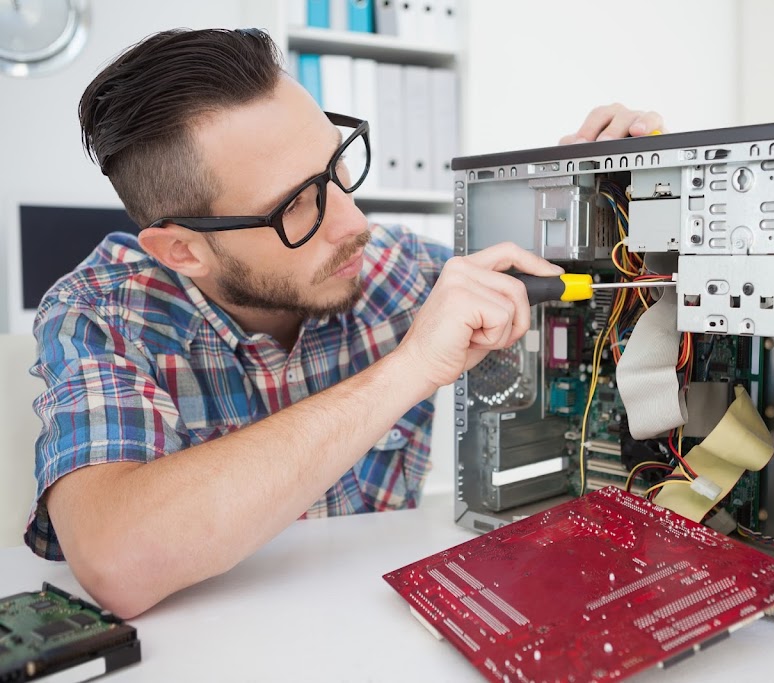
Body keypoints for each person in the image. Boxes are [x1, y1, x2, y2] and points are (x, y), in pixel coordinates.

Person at [26, 27, 665, 618]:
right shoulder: (100, 315)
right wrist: (408, 369)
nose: (355, 223)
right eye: (295, 206)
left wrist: (614, 195)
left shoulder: (394, 270)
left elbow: (574, 297)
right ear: (182, 251)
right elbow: (118, 561)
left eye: (336, 168)